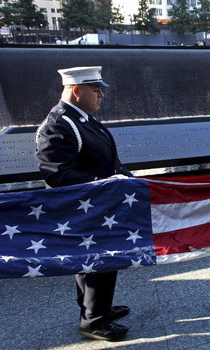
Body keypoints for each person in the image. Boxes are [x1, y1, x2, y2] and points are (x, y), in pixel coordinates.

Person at [34, 66, 132, 341]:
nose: (101, 95)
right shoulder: (59, 124)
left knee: (105, 261)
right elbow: (57, 175)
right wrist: (105, 182)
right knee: (94, 261)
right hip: (85, 210)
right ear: (77, 91)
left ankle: (100, 308)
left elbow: (109, 160)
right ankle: (93, 321)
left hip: (101, 206)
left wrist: (126, 179)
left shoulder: (82, 119)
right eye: (96, 90)